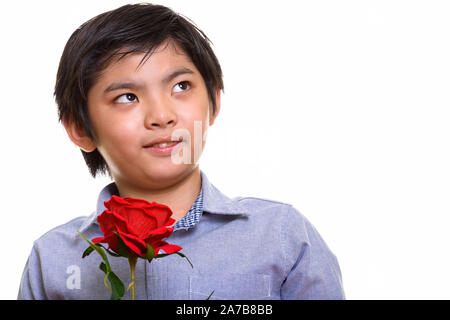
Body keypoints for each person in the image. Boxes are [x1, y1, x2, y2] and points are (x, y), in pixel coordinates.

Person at [18, 3, 345, 300]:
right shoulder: (52, 260)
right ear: (80, 128)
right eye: (127, 97)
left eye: (181, 86)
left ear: (214, 102)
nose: (162, 116)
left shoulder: (281, 237)